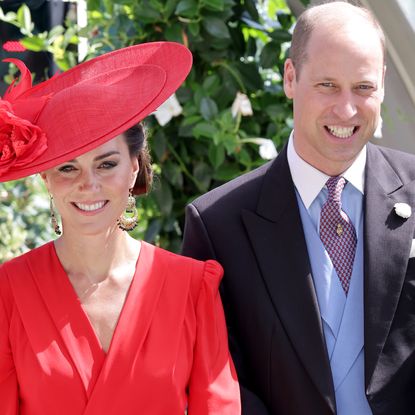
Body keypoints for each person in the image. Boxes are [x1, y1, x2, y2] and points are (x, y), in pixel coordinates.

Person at [182, 2, 415, 414]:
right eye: (327, 85)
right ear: (291, 77)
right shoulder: (218, 225)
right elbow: (217, 378)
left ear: (381, 81)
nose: (346, 110)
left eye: (362, 87)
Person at [0, 42, 240, 414]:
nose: (88, 183)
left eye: (106, 164)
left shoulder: (192, 288)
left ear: (133, 168)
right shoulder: (8, 292)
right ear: (46, 178)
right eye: (68, 167)